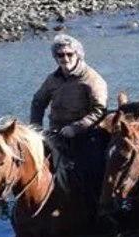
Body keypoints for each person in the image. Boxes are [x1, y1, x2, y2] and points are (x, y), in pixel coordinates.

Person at [29, 34, 109, 174]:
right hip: (56, 133)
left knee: (93, 172)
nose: (65, 59)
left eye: (69, 54)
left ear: (78, 55)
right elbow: (38, 102)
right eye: (60, 55)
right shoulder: (52, 79)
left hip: (87, 135)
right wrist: (36, 129)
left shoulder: (92, 79)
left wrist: (75, 128)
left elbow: (99, 111)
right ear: (55, 57)